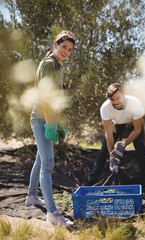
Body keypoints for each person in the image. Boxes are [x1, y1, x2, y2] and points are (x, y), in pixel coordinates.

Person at [25, 30, 75, 227]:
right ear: (56, 45)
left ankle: (31, 196)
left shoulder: (54, 64)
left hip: (46, 118)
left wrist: (58, 121)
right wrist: (50, 124)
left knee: (40, 159)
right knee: (48, 165)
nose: (66, 51)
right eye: (63, 47)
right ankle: (53, 214)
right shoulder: (49, 64)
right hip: (41, 119)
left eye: (70, 49)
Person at [87, 83, 145, 191]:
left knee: (140, 148)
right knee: (103, 152)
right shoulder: (105, 108)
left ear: (124, 95)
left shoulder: (135, 104)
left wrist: (123, 145)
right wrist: (112, 156)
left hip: (133, 125)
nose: (115, 102)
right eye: (112, 99)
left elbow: (137, 130)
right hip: (116, 125)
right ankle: (90, 182)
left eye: (118, 98)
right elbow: (108, 134)